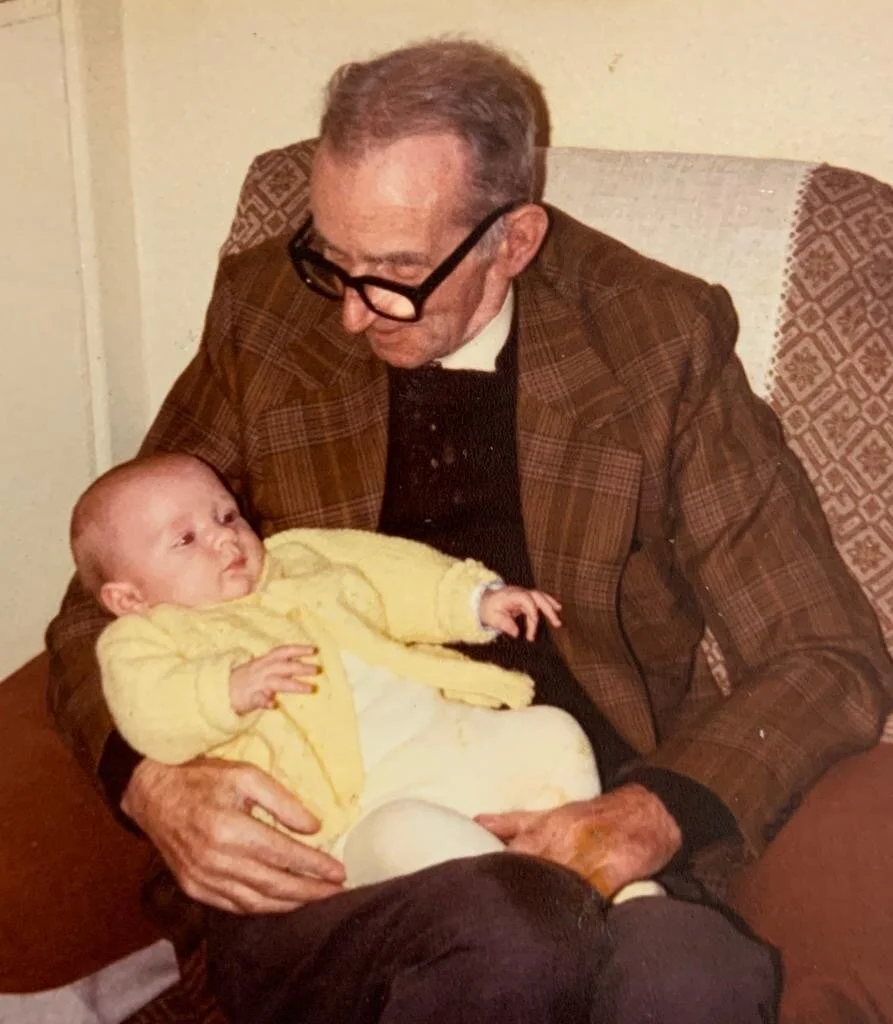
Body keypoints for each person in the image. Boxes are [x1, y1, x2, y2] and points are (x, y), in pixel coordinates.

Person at [46, 36, 893, 1024]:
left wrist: (649, 813)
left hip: (570, 800)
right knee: (509, 929)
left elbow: (820, 648)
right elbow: (100, 602)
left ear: (514, 242)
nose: (350, 316)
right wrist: (149, 781)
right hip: (332, 845)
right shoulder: (266, 310)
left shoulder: (655, 342)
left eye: (396, 272)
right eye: (332, 259)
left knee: (696, 974)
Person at [74, 450, 646, 894]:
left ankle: (598, 875)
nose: (225, 536)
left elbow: (392, 575)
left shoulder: (299, 558)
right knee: (411, 837)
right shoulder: (144, 639)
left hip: (444, 741)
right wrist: (224, 691)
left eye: (227, 515)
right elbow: (147, 711)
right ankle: (549, 901)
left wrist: (474, 600)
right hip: (353, 815)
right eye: (185, 539)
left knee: (552, 732)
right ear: (129, 598)